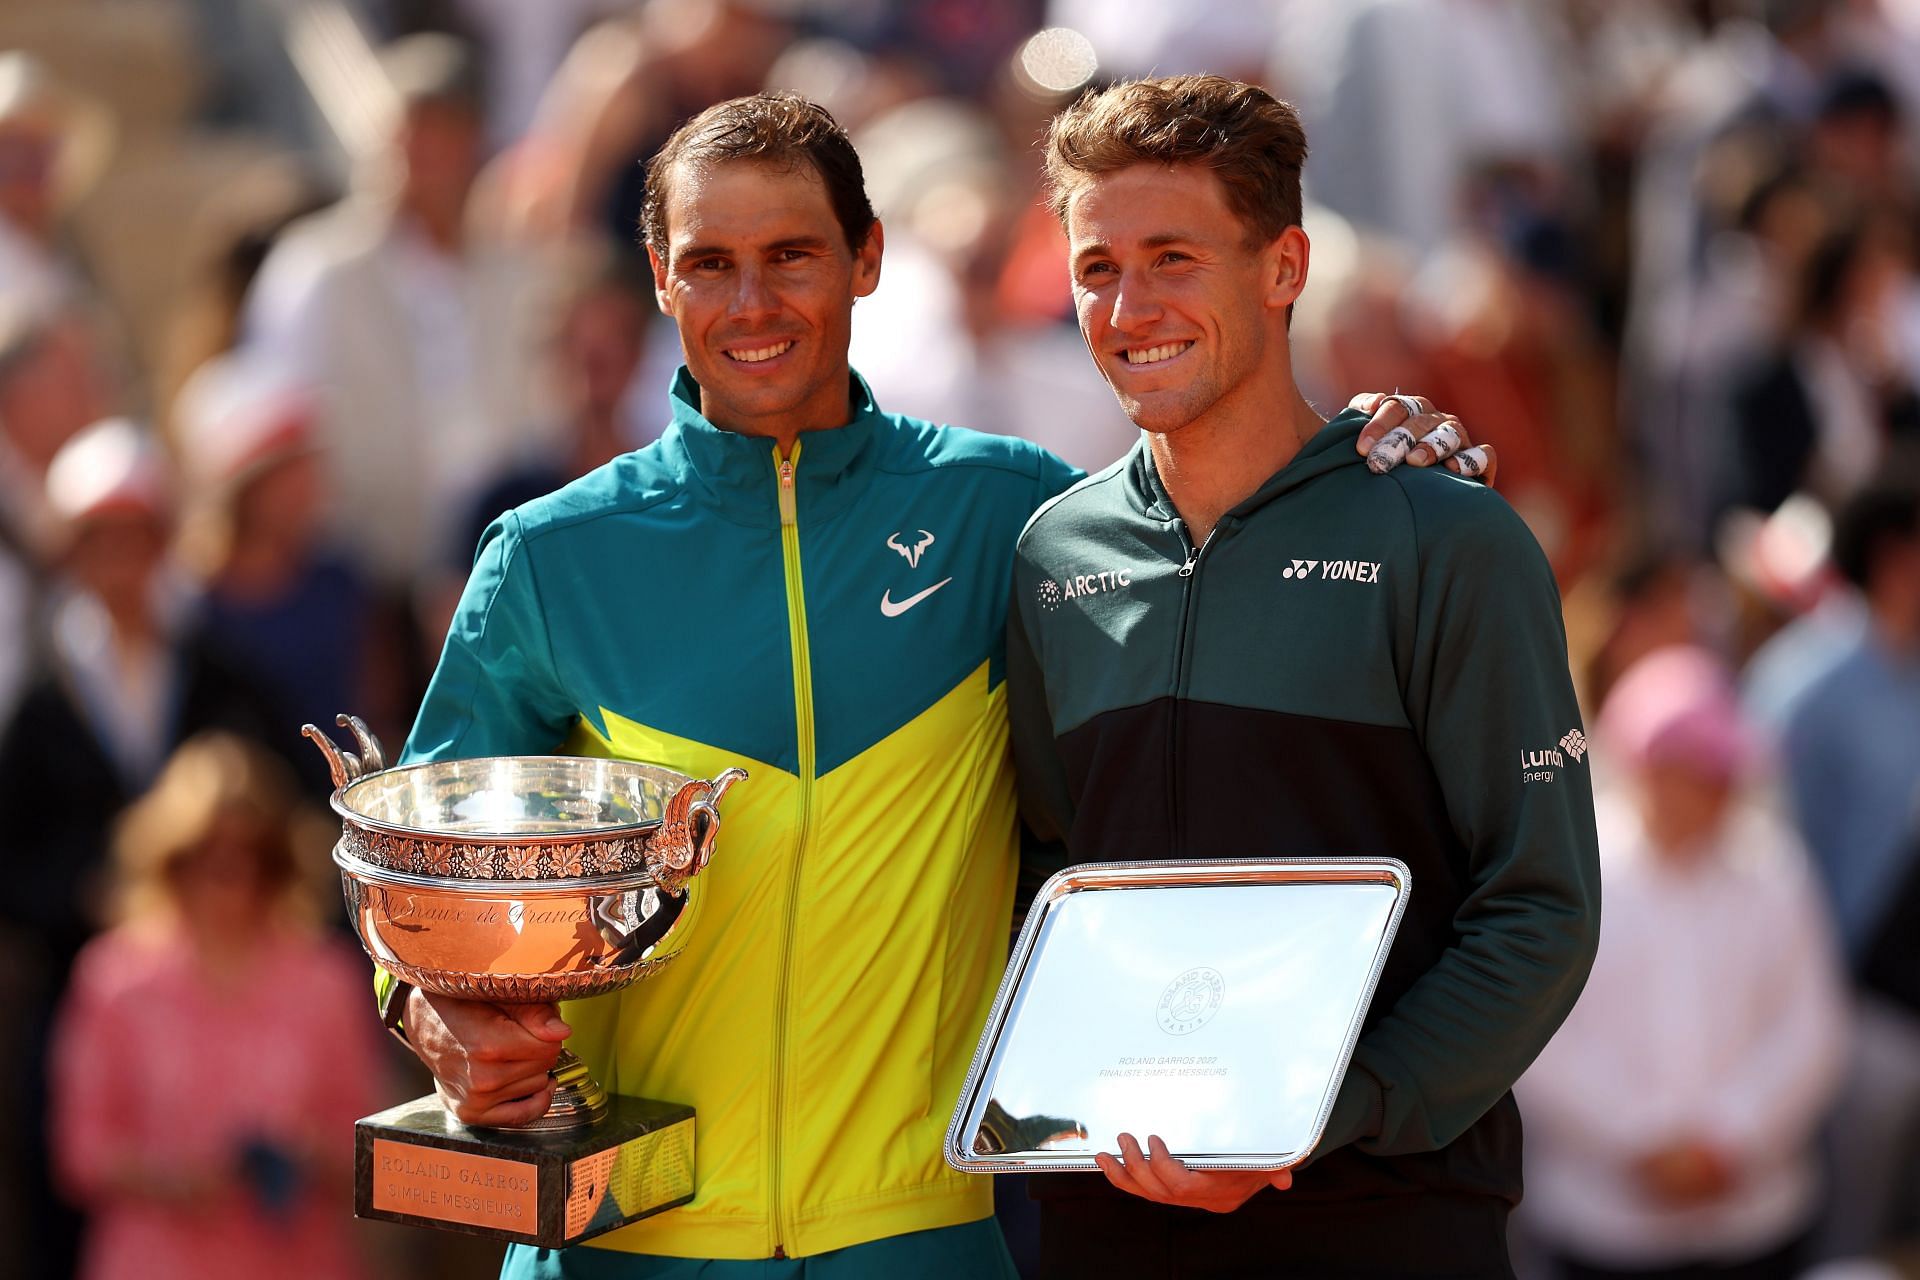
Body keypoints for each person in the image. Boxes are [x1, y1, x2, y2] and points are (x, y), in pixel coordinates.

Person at [389, 91, 1485, 1280]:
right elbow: (415, 892)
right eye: (710, 264)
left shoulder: (1009, 510)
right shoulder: (553, 553)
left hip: (920, 1240)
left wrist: (1366, 458)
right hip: (619, 1242)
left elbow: (1214, 504)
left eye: (791, 255)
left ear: (866, 259)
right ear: (660, 276)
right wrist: (439, 1020)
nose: (751, 304)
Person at [1006, 75, 1600, 1278]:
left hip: (1387, 1213)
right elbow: (1046, 885)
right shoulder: (1049, 555)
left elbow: (1539, 907)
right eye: (1096, 265)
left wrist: (1326, 1112)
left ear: (1284, 268)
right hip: (1105, 1214)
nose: (1129, 306)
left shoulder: (1452, 540)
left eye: (1174, 257)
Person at [1518, 647, 1847, 1280]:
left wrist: (1733, 1138)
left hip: (1756, 1215)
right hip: (1601, 1223)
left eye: (1719, 770)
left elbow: (1812, 1027)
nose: (1711, 789)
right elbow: (1538, 1037)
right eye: (1692, 768)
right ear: (1646, 766)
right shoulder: (1574, 874)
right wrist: (1639, 1140)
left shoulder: (1773, 869)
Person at [48, 732, 382, 1280]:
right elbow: (79, 1150)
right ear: (170, 860)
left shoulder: (327, 980)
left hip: (298, 1261)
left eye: (249, 857)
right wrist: (173, 1181)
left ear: (277, 863)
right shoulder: (113, 978)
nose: (228, 881)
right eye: (205, 856)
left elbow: (369, 1144)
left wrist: (305, 1156)